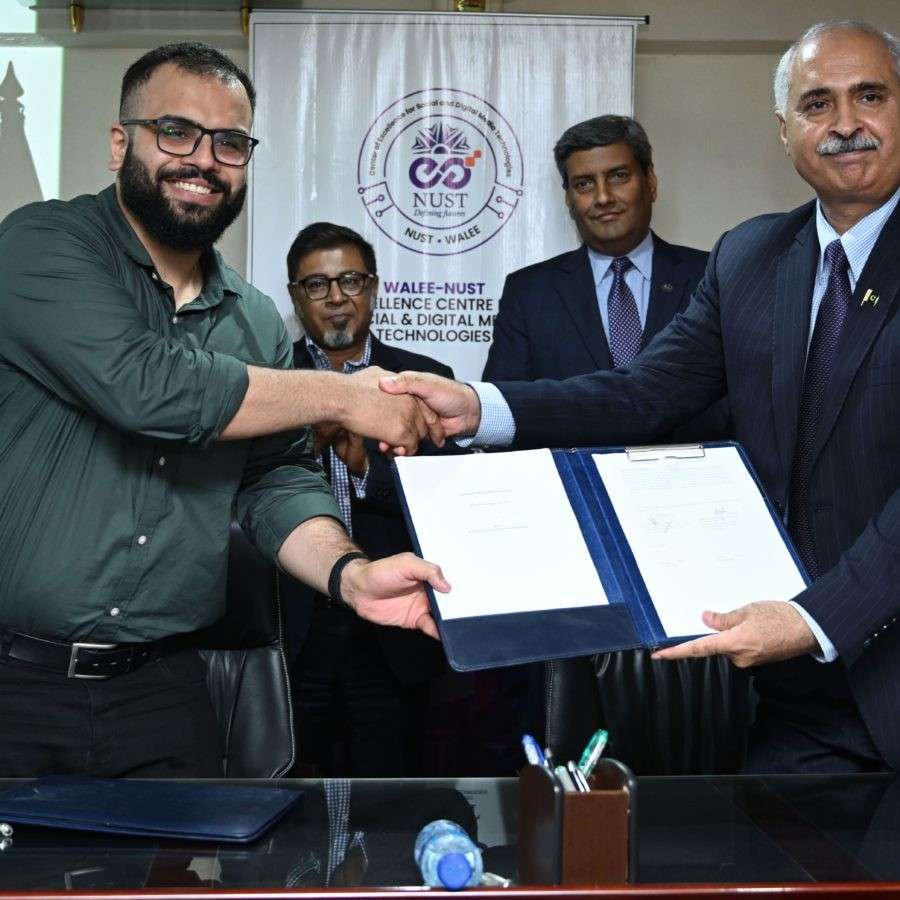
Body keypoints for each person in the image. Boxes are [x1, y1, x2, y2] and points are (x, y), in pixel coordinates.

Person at [382, 19, 900, 774]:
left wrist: (816, 618)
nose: (845, 123)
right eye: (817, 103)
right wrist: (482, 407)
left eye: (870, 96)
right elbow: (643, 392)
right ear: (785, 130)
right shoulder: (750, 257)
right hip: (790, 694)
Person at [0, 42, 448, 778]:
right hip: (16, 684)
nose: (204, 160)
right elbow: (146, 385)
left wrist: (351, 575)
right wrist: (347, 394)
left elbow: (276, 480)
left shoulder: (256, 318)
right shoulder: (41, 244)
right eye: (176, 131)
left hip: (166, 693)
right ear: (120, 144)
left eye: (230, 143)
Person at [281, 222, 453, 776]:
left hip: (394, 632)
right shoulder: (270, 382)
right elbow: (244, 492)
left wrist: (364, 467)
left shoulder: (425, 380)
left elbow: (446, 508)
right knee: (293, 795)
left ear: (373, 288)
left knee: (393, 795)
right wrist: (308, 445)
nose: (336, 297)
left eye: (350, 280)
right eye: (317, 285)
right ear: (296, 297)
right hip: (297, 626)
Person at [483, 114, 727, 440]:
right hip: (570, 471)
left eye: (618, 176)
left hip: (689, 470)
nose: (603, 198)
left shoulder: (713, 276)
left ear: (650, 182)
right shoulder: (528, 293)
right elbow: (505, 410)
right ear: (569, 199)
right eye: (584, 184)